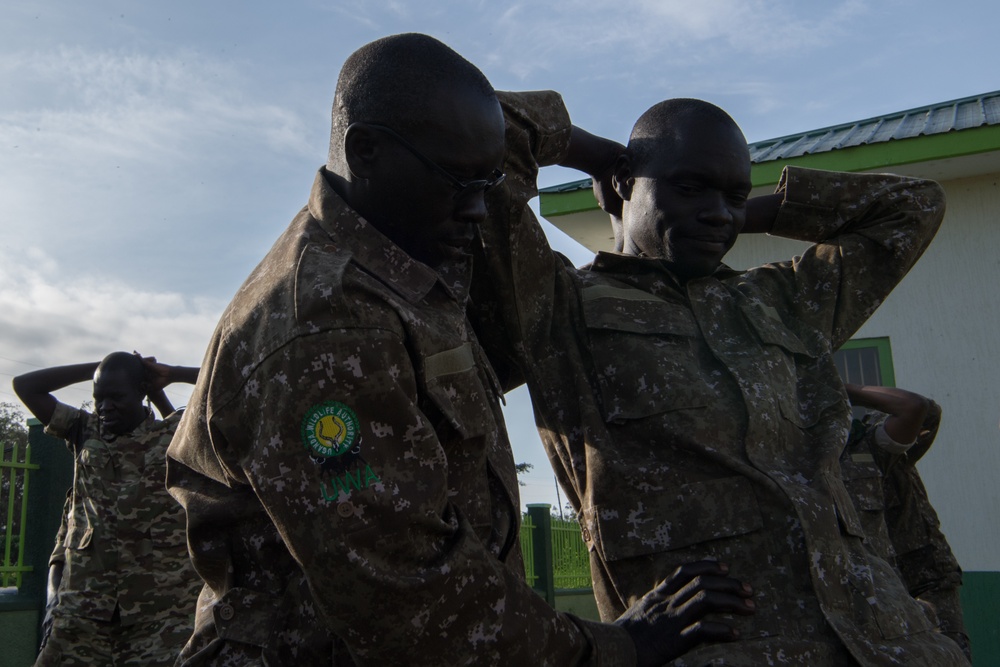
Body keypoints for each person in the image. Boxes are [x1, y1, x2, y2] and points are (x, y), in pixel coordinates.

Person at [165, 34, 753, 667]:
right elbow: (410, 595)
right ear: (366, 151)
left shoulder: (411, 259)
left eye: (490, 178)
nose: (480, 207)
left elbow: (486, 122)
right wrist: (619, 647)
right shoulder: (324, 327)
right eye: (459, 180)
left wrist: (608, 159)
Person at [475, 94, 970, 664]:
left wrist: (739, 211)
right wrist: (596, 155)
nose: (717, 213)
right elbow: (479, 123)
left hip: (890, 641)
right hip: (733, 648)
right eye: (688, 187)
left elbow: (914, 207)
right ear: (626, 184)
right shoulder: (557, 307)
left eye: (732, 195)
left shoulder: (785, 300)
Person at [12, 352, 201, 666]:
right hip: (84, 613)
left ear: (141, 392)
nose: (104, 407)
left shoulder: (175, 435)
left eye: (116, 397)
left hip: (164, 616)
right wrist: (99, 369)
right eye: (99, 398)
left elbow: (227, 383)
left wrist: (172, 374)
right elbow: (25, 386)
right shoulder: (85, 431)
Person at [842, 384, 971, 661]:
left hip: (926, 576)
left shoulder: (876, 442)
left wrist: (842, 387)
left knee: (949, 655)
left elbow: (922, 410)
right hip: (877, 585)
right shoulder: (820, 459)